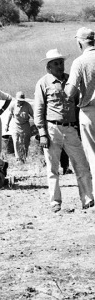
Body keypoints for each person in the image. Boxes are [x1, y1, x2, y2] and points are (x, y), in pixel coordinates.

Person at [34, 48, 93, 212]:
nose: (60, 66)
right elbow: (38, 109)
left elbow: (79, 102)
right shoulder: (43, 83)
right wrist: (42, 133)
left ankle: (88, 200)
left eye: (61, 63)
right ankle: (55, 202)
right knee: (53, 168)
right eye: (56, 64)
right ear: (49, 67)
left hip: (71, 129)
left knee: (81, 165)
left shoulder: (71, 81)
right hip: (52, 128)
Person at [65, 28, 95, 190]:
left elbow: (70, 92)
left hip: (89, 112)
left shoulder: (80, 62)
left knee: (93, 156)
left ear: (80, 43)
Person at [4, 91, 34, 162]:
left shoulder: (28, 105)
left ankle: (24, 158)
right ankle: (18, 159)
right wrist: (7, 125)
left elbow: (33, 115)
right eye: (19, 101)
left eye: (22, 101)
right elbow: (10, 115)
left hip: (25, 126)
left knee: (25, 142)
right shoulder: (13, 105)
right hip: (15, 125)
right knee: (16, 141)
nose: (21, 102)